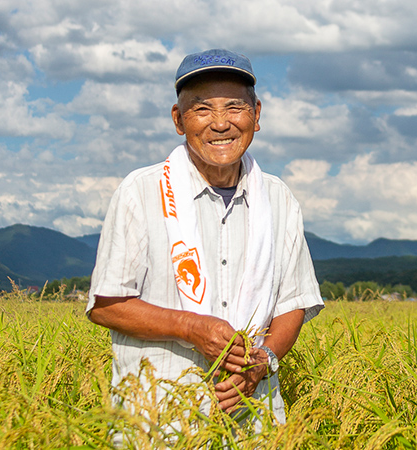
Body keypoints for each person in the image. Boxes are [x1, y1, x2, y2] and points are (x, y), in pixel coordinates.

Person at [86, 49, 324, 435]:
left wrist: (263, 359)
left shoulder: (278, 198)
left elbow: (293, 303)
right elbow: (107, 305)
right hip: (159, 419)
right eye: (201, 109)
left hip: (254, 418)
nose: (220, 124)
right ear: (179, 121)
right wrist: (188, 327)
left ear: (257, 116)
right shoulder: (141, 192)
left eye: (234, 107)